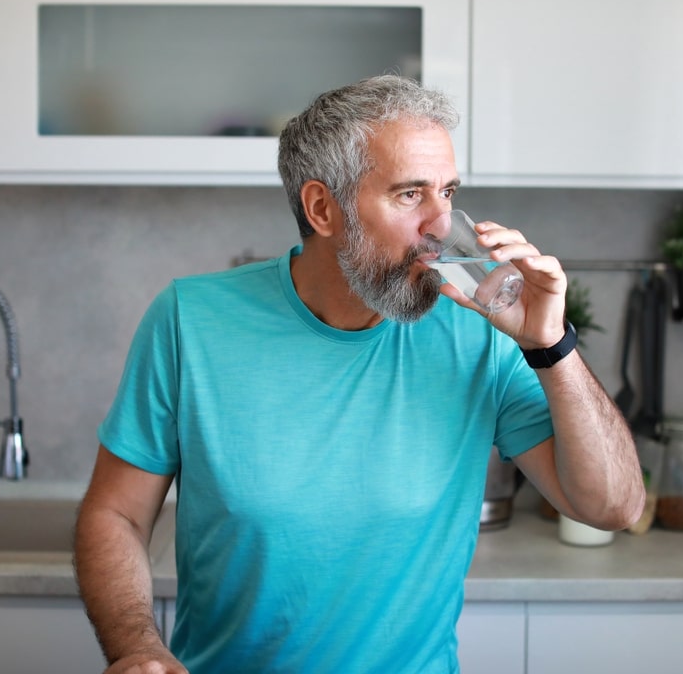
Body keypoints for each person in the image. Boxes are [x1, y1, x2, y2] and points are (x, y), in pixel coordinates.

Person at [74, 75, 645, 674]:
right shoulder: (190, 321)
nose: (440, 224)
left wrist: (551, 345)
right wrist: (137, 647)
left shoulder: (480, 332)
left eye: (448, 192)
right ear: (323, 208)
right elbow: (117, 514)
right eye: (409, 196)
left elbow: (614, 507)